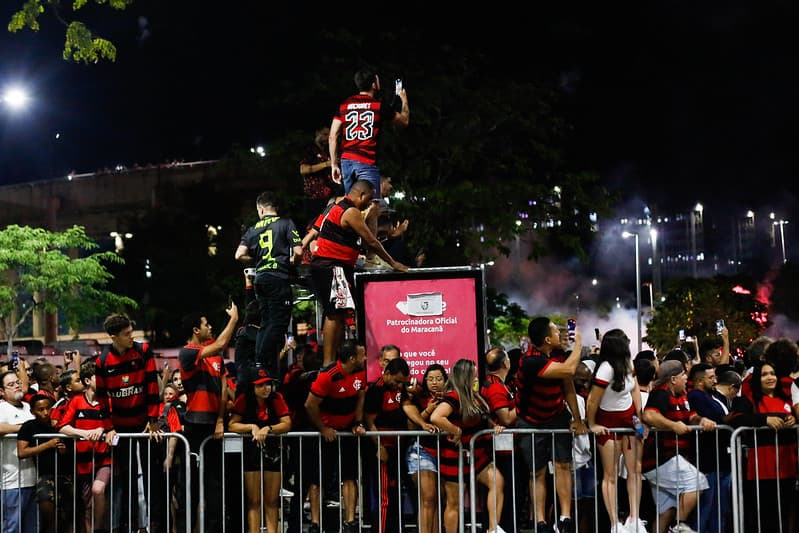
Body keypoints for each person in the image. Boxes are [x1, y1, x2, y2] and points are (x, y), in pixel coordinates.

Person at [309, 179, 409, 366]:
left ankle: (333, 360)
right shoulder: (350, 211)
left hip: (334, 266)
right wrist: (393, 263)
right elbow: (371, 242)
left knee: (338, 314)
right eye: (369, 199)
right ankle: (328, 363)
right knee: (333, 314)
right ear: (361, 195)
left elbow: (363, 241)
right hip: (331, 266)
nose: (370, 203)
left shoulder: (340, 207)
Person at [514, 317, 586, 533]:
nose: (560, 334)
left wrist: (577, 418)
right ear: (547, 338)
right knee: (537, 472)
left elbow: (568, 387)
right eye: (556, 331)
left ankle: (565, 517)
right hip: (530, 420)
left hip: (556, 415)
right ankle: (540, 521)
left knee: (564, 464)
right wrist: (579, 344)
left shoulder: (557, 354)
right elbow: (569, 370)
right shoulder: (530, 361)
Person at [95, 313, 164, 533]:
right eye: (126, 334)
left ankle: (156, 525)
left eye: (131, 331)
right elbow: (103, 399)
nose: (131, 336)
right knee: (127, 479)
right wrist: (108, 428)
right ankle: (128, 525)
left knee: (153, 477)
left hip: (145, 426)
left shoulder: (143, 351)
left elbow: (153, 387)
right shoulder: (103, 361)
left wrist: (153, 421)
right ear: (113, 337)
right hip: (120, 428)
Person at [178, 302, 239, 533]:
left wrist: (221, 419)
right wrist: (233, 319)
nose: (210, 327)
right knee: (190, 488)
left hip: (216, 426)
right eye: (206, 324)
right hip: (194, 426)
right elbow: (223, 342)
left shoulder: (216, 357)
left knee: (215, 488)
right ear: (196, 330)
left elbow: (224, 388)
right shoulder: (187, 352)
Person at [430, 358, 506, 533]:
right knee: (454, 503)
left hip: (477, 456)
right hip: (455, 458)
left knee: (497, 482)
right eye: (474, 373)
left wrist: (495, 427)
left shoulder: (475, 396)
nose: (477, 377)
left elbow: (484, 419)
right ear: (466, 376)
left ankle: (493, 529)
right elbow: (436, 417)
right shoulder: (454, 396)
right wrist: (455, 430)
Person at [641, 360, 715, 533]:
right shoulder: (661, 394)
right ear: (673, 379)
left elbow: (691, 417)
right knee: (698, 482)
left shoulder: (683, 395)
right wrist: (673, 425)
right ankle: (679, 526)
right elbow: (649, 415)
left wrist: (701, 420)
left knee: (667, 511)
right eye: (683, 375)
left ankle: (673, 523)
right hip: (662, 459)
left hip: (669, 460)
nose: (686, 378)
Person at [235, 191, 303, 379]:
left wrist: (256, 259)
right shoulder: (286, 224)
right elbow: (298, 251)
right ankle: (263, 362)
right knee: (278, 324)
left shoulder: (252, 229)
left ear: (261, 209)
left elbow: (239, 255)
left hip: (261, 280)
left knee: (265, 323)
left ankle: (261, 362)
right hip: (278, 279)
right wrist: (291, 261)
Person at [586, 330, 646, 533]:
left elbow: (635, 389)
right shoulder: (605, 369)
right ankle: (614, 524)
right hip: (608, 421)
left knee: (635, 471)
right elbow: (592, 400)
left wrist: (640, 417)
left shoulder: (629, 364)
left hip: (628, 419)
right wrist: (592, 424)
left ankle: (634, 518)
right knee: (610, 475)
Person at [304, 340, 368, 533]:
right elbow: (310, 405)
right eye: (362, 355)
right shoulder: (327, 376)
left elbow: (361, 397)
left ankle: (350, 522)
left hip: (347, 431)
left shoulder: (361, 373)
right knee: (317, 478)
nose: (365, 358)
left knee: (350, 476)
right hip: (324, 433)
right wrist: (323, 428)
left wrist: (357, 423)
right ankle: (315, 523)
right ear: (351, 358)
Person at [364, 357, 434, 533]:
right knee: (385, 497)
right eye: (396, 381)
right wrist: (379, 447)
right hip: (383, 449)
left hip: (398, 448)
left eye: (401, 382)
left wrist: (422, 423)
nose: (398, 385)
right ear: (387, 374)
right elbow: (369, 422)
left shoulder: (400, 388)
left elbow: (407, 406)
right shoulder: (375, 390)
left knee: (396, 494)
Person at [729, 361, 797, 533]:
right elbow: (737, 419)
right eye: (765, 374)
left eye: (773, 373)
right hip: (761, 468)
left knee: (786, 510)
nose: (770, 378)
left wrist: (794, 420)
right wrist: (763, 420)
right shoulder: (748, 400)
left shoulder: (786, 399)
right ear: (757, 379)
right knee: (764, 514)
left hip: (787, 465)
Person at [228, 367, 292, 533]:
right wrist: (252, 427)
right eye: (261, 385)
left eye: (268, 384)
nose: (266, 388)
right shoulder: (244, 400)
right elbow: (232, 424)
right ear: (253, 387)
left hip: (274, 452)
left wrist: (268, 429)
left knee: (272, 500)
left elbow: (287, 423)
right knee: (254, 501)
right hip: (251, 452)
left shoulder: (277, 398)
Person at [329, 66, 410, 197]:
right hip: (366, 161)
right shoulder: (378, 106)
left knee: (351, 206)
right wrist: (404, 99)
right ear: (374, 85)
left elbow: (333, 136)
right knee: (372, 207)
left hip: (346, 162)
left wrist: (334, 164)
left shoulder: (344, 105)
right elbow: (404, 121)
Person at [58, 361, 112, 533]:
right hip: (82, 461)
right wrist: (83, 433)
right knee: (87, 505)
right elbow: (62, 426)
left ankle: (98, 530)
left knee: (98, 489)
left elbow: (115, 423)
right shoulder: (76, 401)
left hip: (104, 458)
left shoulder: (108, 400)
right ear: (88, 381)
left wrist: (102, 428)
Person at [686, 363, 733, 533]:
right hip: (708, 459)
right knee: (706, 507)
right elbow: (715, 418)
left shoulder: (713, 396)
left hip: (721, 459)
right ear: (699, 381)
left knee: (719, 508)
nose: (715, 381)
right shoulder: (696, 396)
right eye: (711, 377)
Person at [16, 394, 69, 533]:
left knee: (68, 516)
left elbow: (71, 449)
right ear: (32, 411)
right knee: (48, 513)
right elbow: (22, 452)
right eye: (40, 409)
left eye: (48, 408)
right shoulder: (29, 427)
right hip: (45, 476)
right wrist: (48, 445)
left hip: (66, 475)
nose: (45, 412)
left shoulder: (60, 425)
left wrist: (64, 450)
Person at [480, 348, 517, 533]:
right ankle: (497, 528)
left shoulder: (497, 384)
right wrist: (523, 402)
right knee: (504, 491)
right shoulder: (495, 387)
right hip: (500, 449)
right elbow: (506, 419)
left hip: (502, 447)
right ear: (505, 364)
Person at [408, 363, 448, 533]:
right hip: (422, 452)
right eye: (430, 379)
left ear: (445, 381)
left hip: (446, 452)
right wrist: (428, 411)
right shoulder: (418, 398)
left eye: (438, 379)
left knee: (440, 498)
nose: (434, 382)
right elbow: (411, 427)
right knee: (428, 498)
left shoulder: (452, 398)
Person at [0, 370, 37, 533]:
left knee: (32, 527)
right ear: (1, 391)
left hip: (32, 478)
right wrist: (24, 429)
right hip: (11, 482)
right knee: (12, 527)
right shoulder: (2, 408)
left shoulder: (29, 408)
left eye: (17, 383)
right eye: (10, 384)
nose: (16, 386)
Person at [300, 126, 338, 228]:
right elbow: (303, 169)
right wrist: (327, 164)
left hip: (328, 196)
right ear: (317, 133)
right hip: (314, 197)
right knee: (314, 227)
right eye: (325, 134)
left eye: (329, 135)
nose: (327, 138)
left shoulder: (326, 151)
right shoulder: (310, 149)